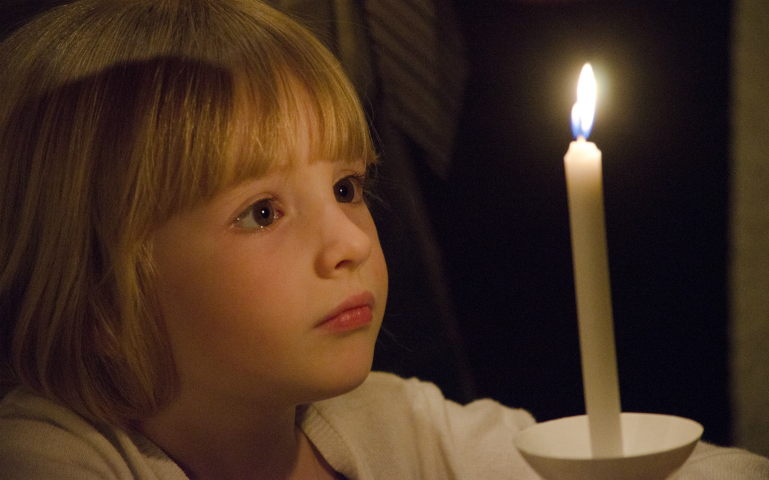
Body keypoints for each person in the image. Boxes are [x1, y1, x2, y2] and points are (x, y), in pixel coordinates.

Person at [0, 1, 766, 479]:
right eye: (262, 212)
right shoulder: (45, 456)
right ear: (101, 294)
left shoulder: (389, 421)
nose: (350, 243)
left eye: (346, 188)